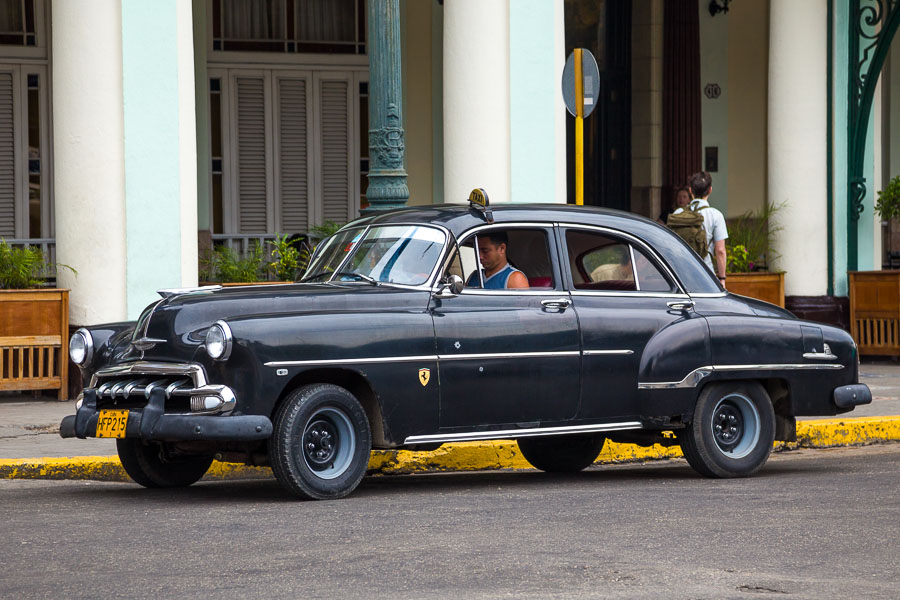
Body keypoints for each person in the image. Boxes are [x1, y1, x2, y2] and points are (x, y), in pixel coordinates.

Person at [672, 171, 728, 287]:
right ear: (710, 190)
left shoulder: (678, 213)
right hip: (705, 275)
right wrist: (722, 279)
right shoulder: (716, 215)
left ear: (690, 191)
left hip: (680, 276)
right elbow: (720, 251)